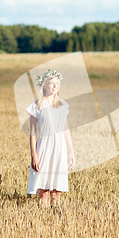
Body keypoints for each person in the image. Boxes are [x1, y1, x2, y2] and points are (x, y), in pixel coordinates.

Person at [26, 69, 75, 210]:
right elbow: (32, 134)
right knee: (44, 187)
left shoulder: (63, 105)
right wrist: (34, 156)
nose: (55, 86)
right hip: (44, 147)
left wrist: (71, 152)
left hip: (60, 147)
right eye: (52, 83)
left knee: (57, 188)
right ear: (44, 86)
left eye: (57, 83)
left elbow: (66, 130)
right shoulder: (37, 106)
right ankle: (43, 215)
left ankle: (56, 216)